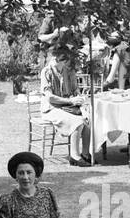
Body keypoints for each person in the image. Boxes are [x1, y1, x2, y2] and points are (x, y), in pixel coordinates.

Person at [39, 34, 93, 167]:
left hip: (67, 107)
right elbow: (50, 97)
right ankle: (74, 156)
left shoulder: (68, 71)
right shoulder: (47, 72)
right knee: (77, 122)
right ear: (57, 59)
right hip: (51, 108)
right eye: (64, 60)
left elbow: (75, 90)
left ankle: (85, 154)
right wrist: (70, 101)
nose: (67, 63)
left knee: (87, 121)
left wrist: (79, 98)